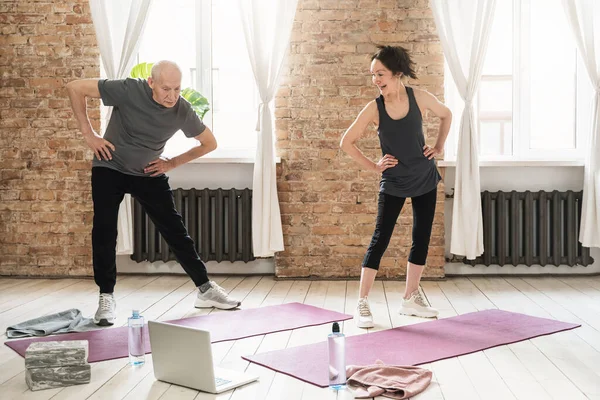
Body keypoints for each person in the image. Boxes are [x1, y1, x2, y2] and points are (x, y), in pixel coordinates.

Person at [66, 60, 241, 326]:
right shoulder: (129, 89)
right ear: (151, 83)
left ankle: (205, 289)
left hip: (147, 173)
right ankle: (106, 297)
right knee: (104, 231)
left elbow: (209, 143)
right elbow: (75, 87)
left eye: (177, 89)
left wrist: (171, 163)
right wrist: (89, 134)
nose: (172, 96)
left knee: (174, 230)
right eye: (165, 89)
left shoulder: (181, 109)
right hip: (109, 166)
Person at [340, 46, 452, 328]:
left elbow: (446, 114)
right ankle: (362, 302)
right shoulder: (374, 108)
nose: (376, 79)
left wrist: (438, 146)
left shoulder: (420, 98)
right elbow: (346, 142)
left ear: (397, 74)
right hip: (394, 181)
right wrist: (375, 166)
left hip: (424, 176)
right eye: (373, 75)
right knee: (380, 239)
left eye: (381, 74)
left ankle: (410, 298)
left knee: (421, 237)